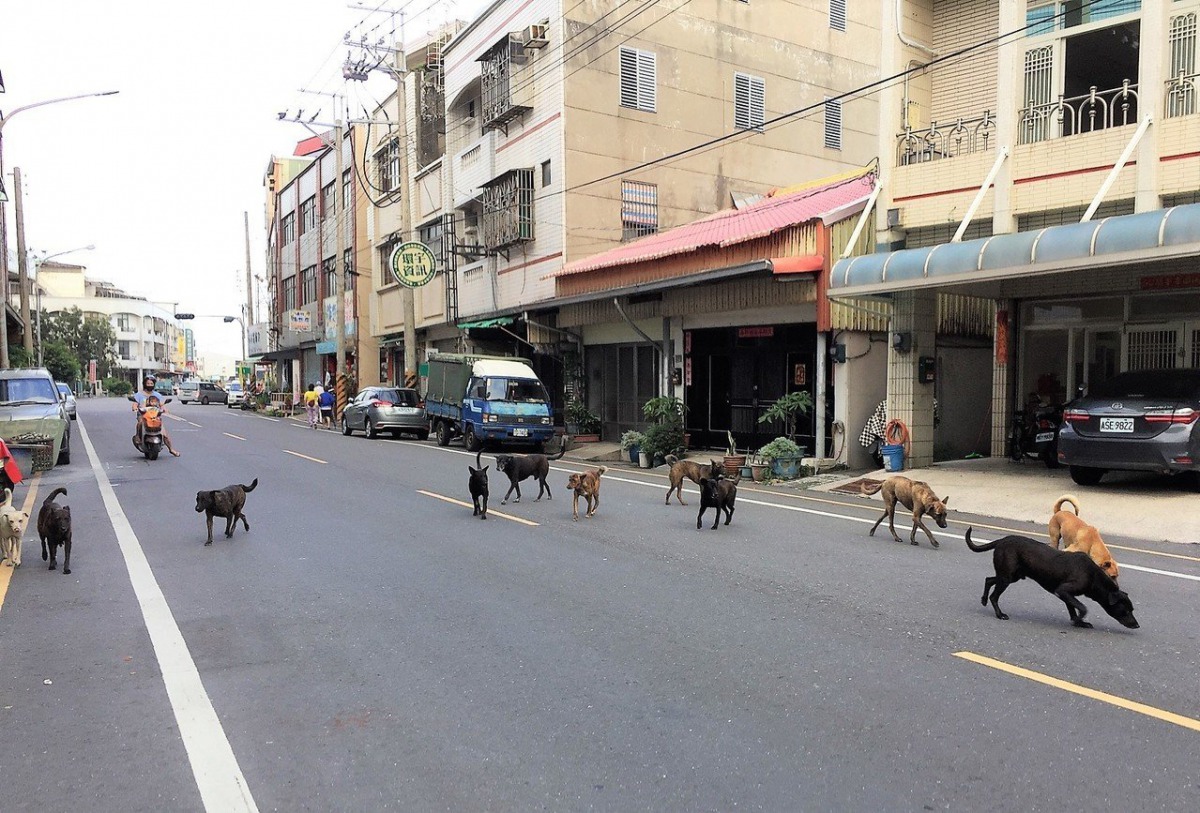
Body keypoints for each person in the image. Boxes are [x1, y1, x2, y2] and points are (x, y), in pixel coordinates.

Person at [132, 376, 181, 457]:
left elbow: (161, 405)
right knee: (140, 423)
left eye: (151, 383)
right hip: (143, 415)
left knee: (164, 434)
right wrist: (135, 408)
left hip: (155, 416)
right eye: (148, 383)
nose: (149, 385)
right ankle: (138, 436)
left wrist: (165, 409)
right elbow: (135, 404)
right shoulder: (139, 394)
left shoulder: (157, 395)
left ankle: (171, 449)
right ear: (145, 384)